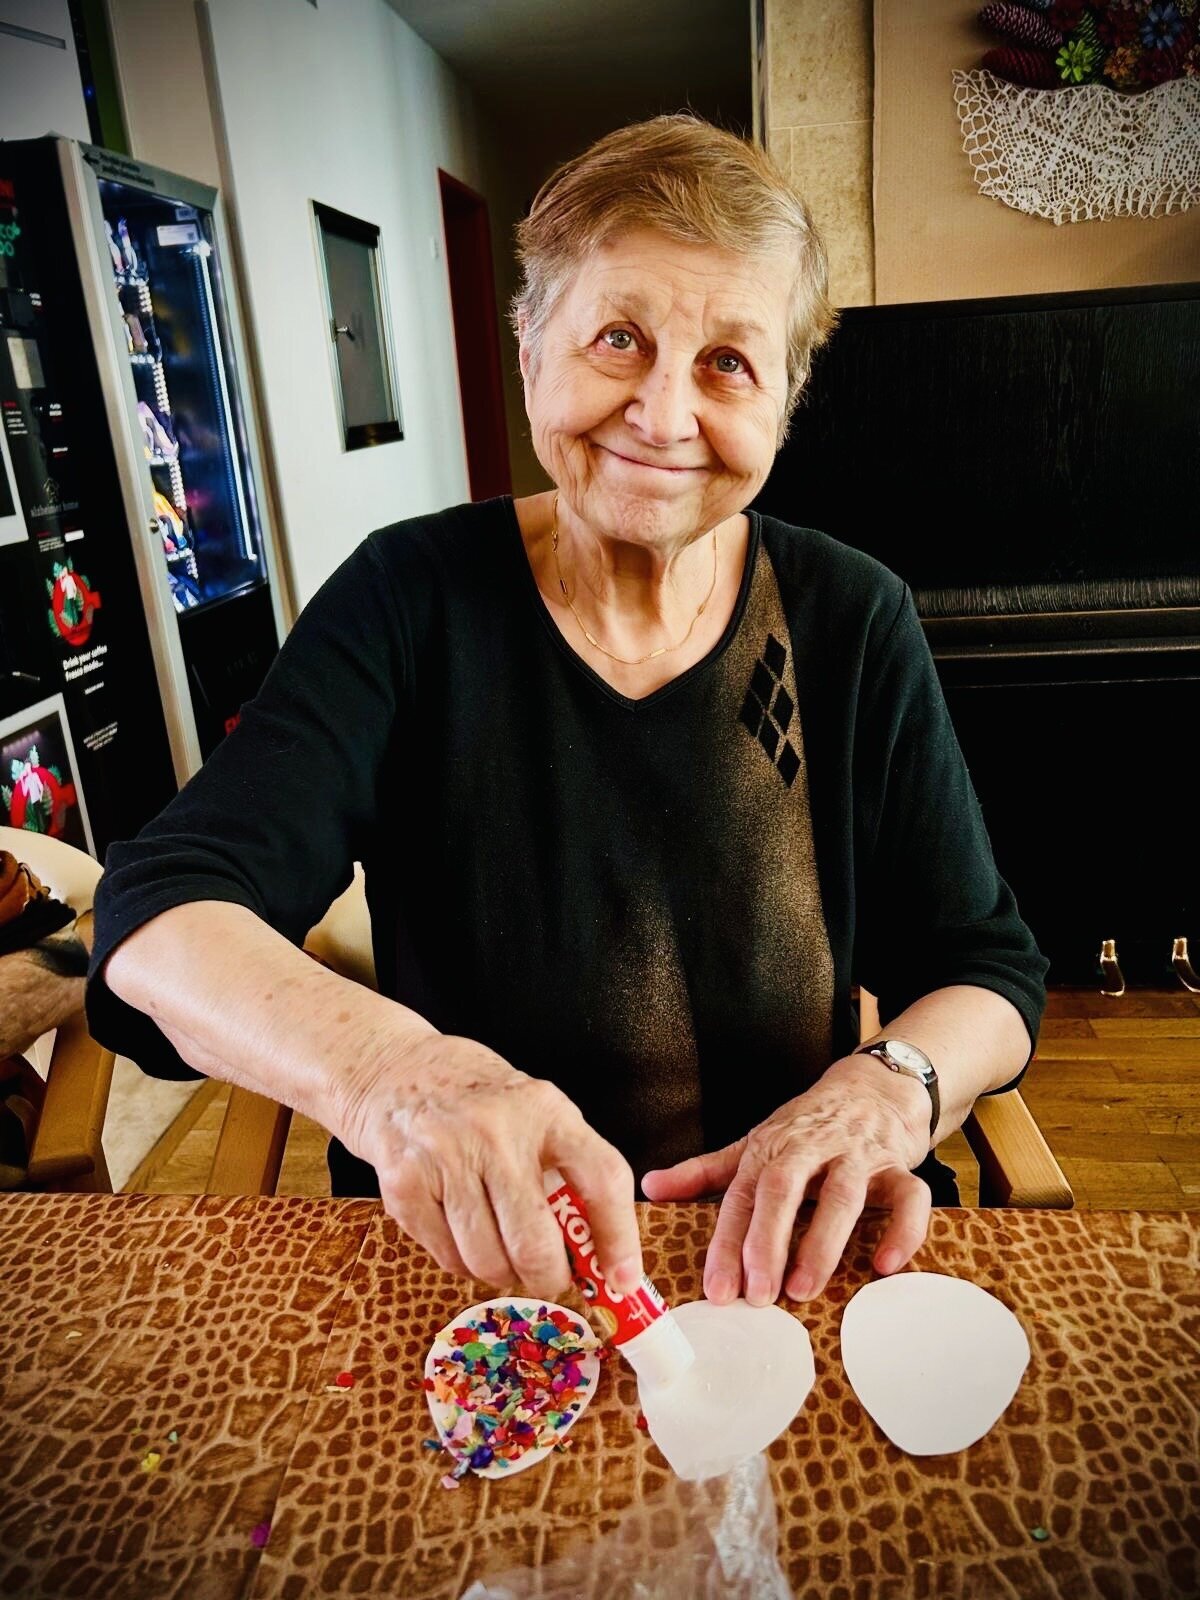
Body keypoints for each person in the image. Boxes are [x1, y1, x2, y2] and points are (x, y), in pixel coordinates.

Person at [88, 114, 1046, 1311]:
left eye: (729, 362)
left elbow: (984, 968)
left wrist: (888, 1089)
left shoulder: (853, 613)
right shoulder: (408, 599)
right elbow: (159, 913)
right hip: (482, 1267)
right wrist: (390, 1078)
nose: (664, 414)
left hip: (785, 1262)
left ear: (787, 399)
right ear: (532, 344)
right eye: (618, 338)